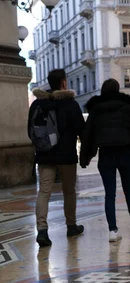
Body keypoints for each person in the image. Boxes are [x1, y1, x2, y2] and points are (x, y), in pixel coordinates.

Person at [80, 79, 130, 242]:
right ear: (118, 90)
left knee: (109, 193)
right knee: (128, 188)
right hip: (123, 151)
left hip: (105, 154)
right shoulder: (127, 107)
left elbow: (87, 134)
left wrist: (85, 156)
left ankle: (112, 230)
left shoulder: (95, 109)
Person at [28, 69, 85, 247]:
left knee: (44, 192)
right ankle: (71, 225)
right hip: (66, 155)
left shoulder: (37, 104)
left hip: (44, 155)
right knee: (69, 191)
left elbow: (30, 131)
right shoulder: (70, 104)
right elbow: (81, 130)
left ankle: (42, 230)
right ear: (63, 83)